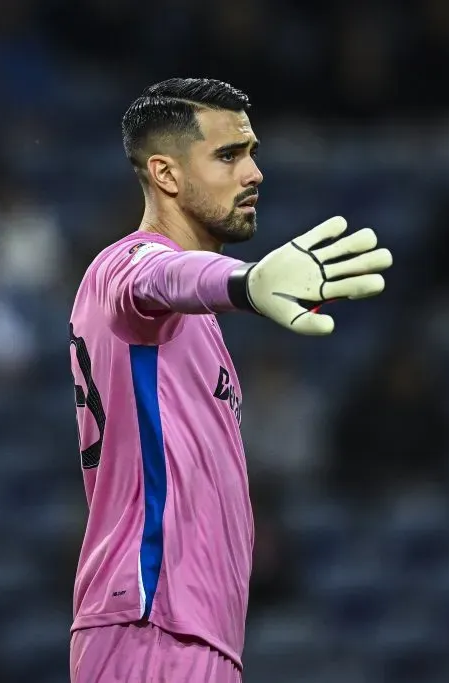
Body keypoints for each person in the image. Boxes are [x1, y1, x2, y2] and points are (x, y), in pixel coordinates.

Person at [67, 77, 392, 682]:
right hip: (152, 623)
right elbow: (159, 276)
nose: (254, 173)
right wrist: (244, 282)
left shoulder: (193, 323)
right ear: (165, 174)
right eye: (228, 155)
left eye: (252, 153)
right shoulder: (125, 265)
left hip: (193, 631)